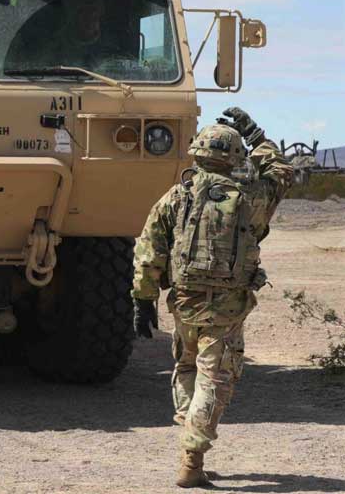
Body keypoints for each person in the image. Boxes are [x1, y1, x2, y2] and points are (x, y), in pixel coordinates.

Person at [130, 107, 293, 488]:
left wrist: (143, 299)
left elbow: (149, 249)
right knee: (214, 378)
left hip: (185, 301)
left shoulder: (177, 195)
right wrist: (255, 134)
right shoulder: (252, 198)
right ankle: (192, 458)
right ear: (235, 157)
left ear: (197, 152)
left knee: (187, 367)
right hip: (227, 306)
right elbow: (281, 170)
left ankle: (190, 445)